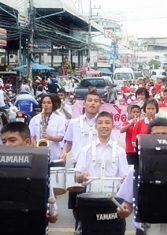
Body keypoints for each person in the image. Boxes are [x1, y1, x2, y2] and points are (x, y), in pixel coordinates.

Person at [116, 117, 167, 235]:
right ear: (149, 137)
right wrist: (123, 210)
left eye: (164, 134)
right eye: (156, 134)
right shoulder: (137, 167)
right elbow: (127, 203)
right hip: (145, 229)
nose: (160, 137)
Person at [74, 111, 129, 234]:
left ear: (113, 126)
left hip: (113, 202)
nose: (104, 126)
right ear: (96, 126)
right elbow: (77, 177)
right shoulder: (86, 150)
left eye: (107, 123)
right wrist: (82, 176)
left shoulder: (120, 151)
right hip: (91, 201)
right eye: (100, 123)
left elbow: (125, 178)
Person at [59, 90, 101, 231]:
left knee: (96, 201)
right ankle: (80, 227)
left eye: (96, 101)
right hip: (78, 167)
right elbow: (68, 141)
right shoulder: (74, 122)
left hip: (97, 167)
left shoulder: (103, 123)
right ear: (84, 103)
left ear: (100, 104)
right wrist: (64, 152)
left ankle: (93, 228)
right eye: (90, 100)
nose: (92, 103)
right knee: (76, 202)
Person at [0, 122, 58, 223]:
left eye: (12, 140)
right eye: (4, 141)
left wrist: (52, 214)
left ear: (27, 142)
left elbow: (53, 214)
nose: (7, 145)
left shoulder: (39, 166)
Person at [29, 94, 66, 162]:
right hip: (38, 154)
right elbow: (31, 136)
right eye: (44, 102)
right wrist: (37, 148)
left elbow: (61, 137)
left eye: (49, 103)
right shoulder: (34, 119)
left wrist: (50, 137)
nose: (46, 105)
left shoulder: (60, 119)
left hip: (54, 154)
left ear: (53, 105)